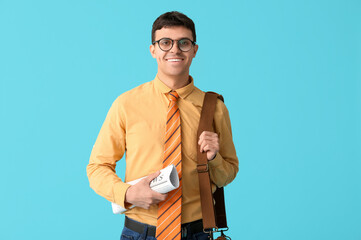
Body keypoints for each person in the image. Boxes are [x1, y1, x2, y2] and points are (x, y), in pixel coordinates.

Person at [87, 11, 238, 240]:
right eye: (165, 43)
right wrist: (127, 193)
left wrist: (214, 158)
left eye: (184, 43)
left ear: (194, 50)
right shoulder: (126, 104)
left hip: (197, 233)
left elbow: (228, 174)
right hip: (141, 232)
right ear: (153, 50)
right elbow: (97, 167)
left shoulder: (214, 108)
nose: (175, 50)